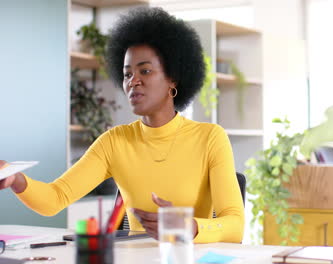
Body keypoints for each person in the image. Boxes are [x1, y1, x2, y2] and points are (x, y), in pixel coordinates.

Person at [0, 7, 244, 243]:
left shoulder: (210, 137)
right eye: (127, 74)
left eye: (145, 71)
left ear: (173, 79)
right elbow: (55, 199)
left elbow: (235, 225)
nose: (133, 82)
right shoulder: (114, 141)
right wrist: (16, 180)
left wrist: (190, 226)